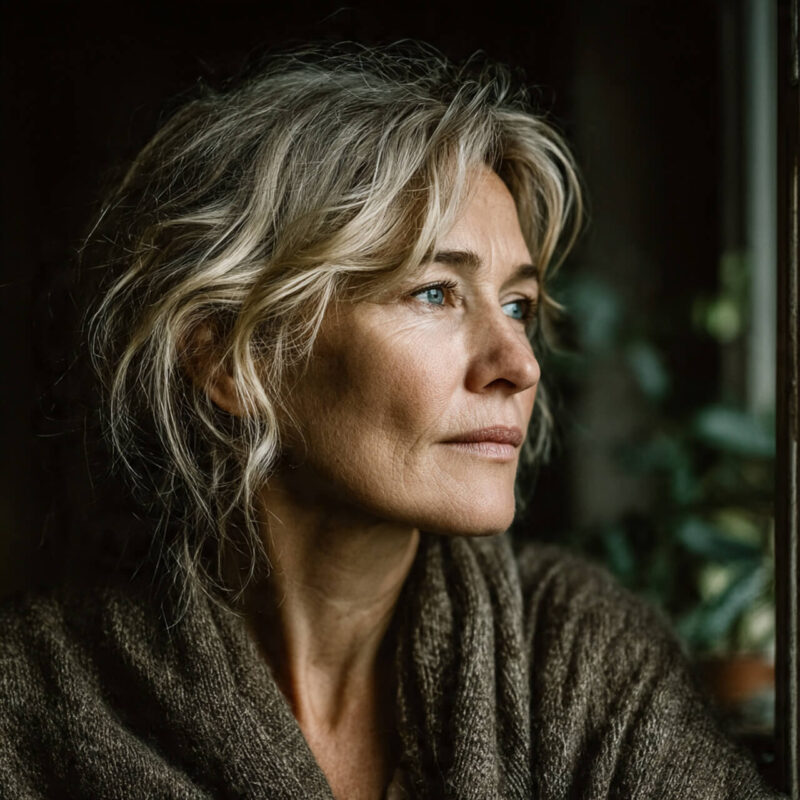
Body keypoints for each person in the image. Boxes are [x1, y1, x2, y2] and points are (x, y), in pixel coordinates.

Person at [0, 44, 785, 800]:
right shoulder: (33, 702)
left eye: (519, 305)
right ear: (231, 360)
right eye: (436, 292)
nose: (520, 363)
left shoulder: (584, 655)